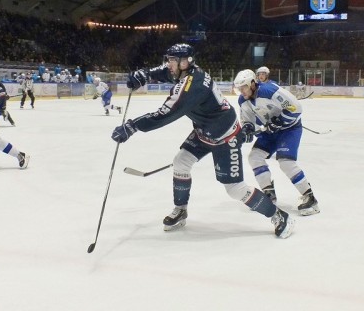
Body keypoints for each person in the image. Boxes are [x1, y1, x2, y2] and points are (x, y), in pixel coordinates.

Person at [112, 43, 294, 238]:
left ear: (186, 62)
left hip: (226, 136)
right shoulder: (184, 72)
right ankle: (181, 210)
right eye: (170, 59)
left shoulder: (192, 85)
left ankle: (279, 216)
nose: (169, 64)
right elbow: (166, 72)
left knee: (235, 189)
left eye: (173, 60)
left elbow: (164, 115)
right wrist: (144, 75)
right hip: (203, 131)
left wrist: (132, 126)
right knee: (181, 162)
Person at [234, 69, 319, 216]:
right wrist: (247, 130)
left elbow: (296, 108)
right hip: (270, 132)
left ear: (252, 84)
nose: (242, 91)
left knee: (286, 162)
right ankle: (269, 195)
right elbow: (248, 121)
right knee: (254, 157)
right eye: (239, 89)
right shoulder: (243, 100)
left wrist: (279, 121)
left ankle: (310, 198)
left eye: (244, 87)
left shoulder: (270, 91)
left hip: (289, 129)